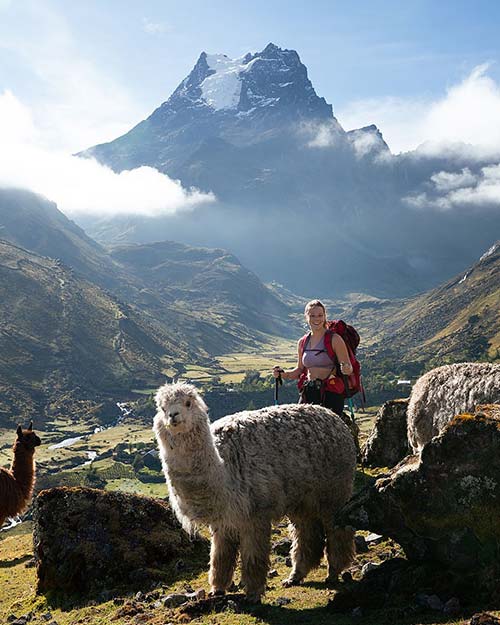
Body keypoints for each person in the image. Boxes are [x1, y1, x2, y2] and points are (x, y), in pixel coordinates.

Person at [272, 299, 353, 416]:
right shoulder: (302, 342)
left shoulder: (335, 339)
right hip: (309, 390)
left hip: (331, 392)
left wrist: (346, 368)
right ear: (306, 317)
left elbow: (348, 367)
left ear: (325, 316)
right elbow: (299, 370)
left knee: (329, 431)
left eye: (320, 315)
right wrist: (281, 374)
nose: (317, 319)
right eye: (312, 315)